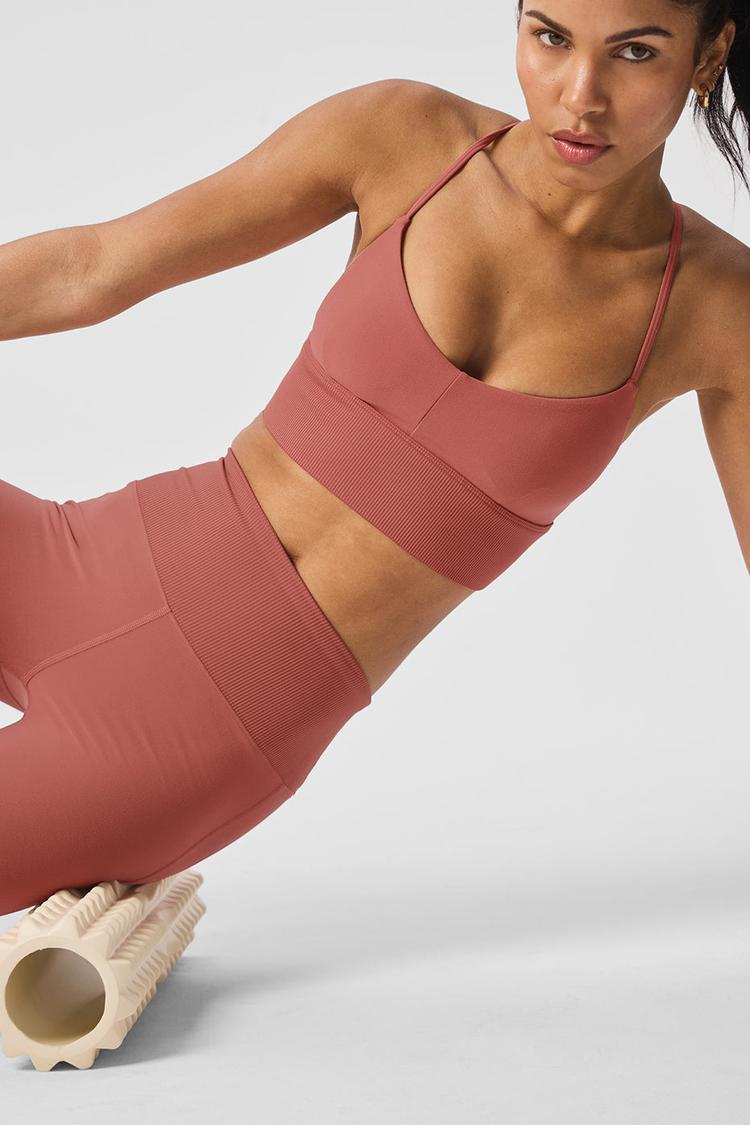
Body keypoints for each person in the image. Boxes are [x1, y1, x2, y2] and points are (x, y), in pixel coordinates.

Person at [1, 2, 748, 917]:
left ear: (708, 55)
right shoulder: (402, 137)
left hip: (189, 737)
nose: (579, 96)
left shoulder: (718, 307)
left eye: (634, 53)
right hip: (85, 557)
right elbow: (93, 267)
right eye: (551, 37)